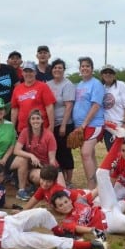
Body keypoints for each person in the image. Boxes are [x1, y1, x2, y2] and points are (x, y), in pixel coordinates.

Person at [14, 109, 65, 201]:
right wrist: (31, 155)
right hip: (34, 167)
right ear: (29, 121)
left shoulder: (49, 135)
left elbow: (52, 159)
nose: (35, 121)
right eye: (33, 119)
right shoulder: (25, 132)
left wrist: (52, 174)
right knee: (39, 176)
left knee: (63, 192)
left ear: (42, 120)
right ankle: (38, 188)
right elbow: (16, 150)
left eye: (38, 118)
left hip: (49, 166)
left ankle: (44, 189)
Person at [72, 56, 105, 190]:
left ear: (92, 69)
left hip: (93, 124)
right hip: (81, 126)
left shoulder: (96, 84)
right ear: (79, 69)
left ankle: (91, 187)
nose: (84, 68)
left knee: (85, 154)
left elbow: (96, 106)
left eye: (87, 66)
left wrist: (84, 124)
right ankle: (97, 186)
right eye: (82, 66)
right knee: (89, 155)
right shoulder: (80, 84)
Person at [47, 58, 76, 187]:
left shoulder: (68, 84)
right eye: (55, 67)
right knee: (56, 152)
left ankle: (69, 181)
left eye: (60, 68)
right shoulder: (48, 84)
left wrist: (63, 125)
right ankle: (61, 179)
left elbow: (69, 106)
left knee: (65, 152)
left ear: (64, 70)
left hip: (65, 123)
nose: (57, 70)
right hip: (51, 123)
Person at [22, 165, 94, 211]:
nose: (44, 183)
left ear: (54, 181)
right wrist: (22, 211)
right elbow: (34, 199)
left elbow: (79, 198)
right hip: (77, 194)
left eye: (48, 181)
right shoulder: (43, 188)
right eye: (43, 180)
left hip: (84, 196)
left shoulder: (56, 190)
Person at [10, 61, 56, 133]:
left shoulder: (43, 86)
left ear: (35, 72)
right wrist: (12, 127)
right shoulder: (17, 89)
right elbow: (14, 109)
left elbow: (49, 106)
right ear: (22, 73)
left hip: (41, 129)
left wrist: (51, 126)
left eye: (31, 71)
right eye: (26, 71)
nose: (28, 74)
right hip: (23, 130)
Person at [100, 64, 125, 151]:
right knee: (111, 154)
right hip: (107, 128)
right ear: (102, 75)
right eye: (105, 72)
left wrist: (124, 123)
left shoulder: (120, 85)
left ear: (114, 75)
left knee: (122, 155)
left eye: (110, 72)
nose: (108, 74)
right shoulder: (101, 88)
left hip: (120, 126)